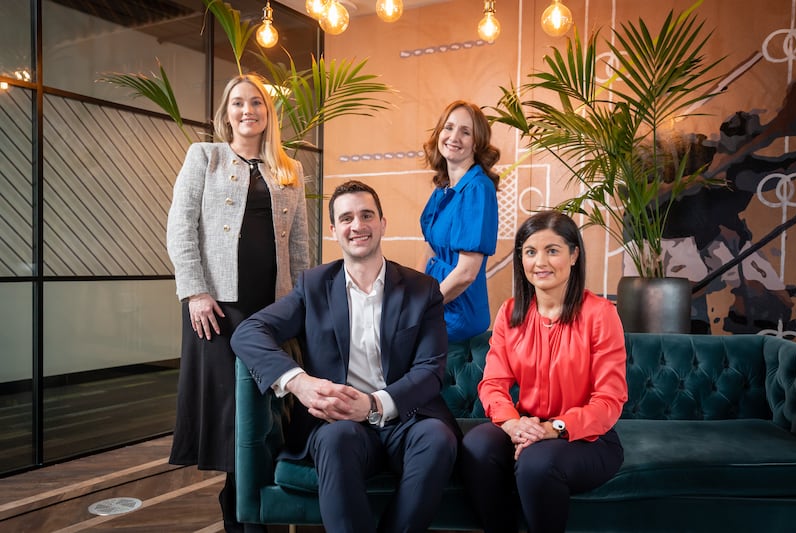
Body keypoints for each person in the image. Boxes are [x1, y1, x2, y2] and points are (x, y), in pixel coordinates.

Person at [231, 180, 459, 533]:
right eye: (347, 218)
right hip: (338, 421)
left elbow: (430, 370)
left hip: (406, 418)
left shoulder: (421, 289)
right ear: (335, 230)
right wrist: (300, 383)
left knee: (437, 439)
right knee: (336, 441)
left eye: (367, 215)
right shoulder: (314, 285)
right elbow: (248, 332)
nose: (358, 225)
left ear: (383, 223)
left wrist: (373, 404)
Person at [166, 73, 309, 532]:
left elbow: (300, 245)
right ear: (226, 113)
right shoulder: (204, 157)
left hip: (271, 309)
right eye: (238, 103)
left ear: (269, 113)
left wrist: (302, 304)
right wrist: (196, 291)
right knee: (231, 415)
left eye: (257, 103)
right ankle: (239, 514)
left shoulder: (290, 168)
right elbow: (180, 228)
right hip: (217, 310)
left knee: (267, 411)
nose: (248, 111)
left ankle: (255, 509)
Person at [460, 211, 627, 533]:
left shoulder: (600, 315)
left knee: (537, 463)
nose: (540, 262)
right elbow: (493, 383)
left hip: (587, 439)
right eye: (530, 251)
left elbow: (609, 400)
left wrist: (554, 429)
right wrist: (513, 424)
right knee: (478, 445)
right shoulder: (510, 312)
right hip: (528, 426)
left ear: (574, 255)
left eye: (553, 250)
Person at [419, 100, 500, 342]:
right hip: (436, 301)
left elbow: (466, 273)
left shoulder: (477, 188)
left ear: (477, 143)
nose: (454, 137)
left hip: (457, 313)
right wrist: (413, 296)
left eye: (466, 132)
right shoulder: (443, 188)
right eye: (449, 127)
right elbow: (430, 249)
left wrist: (422, 309)